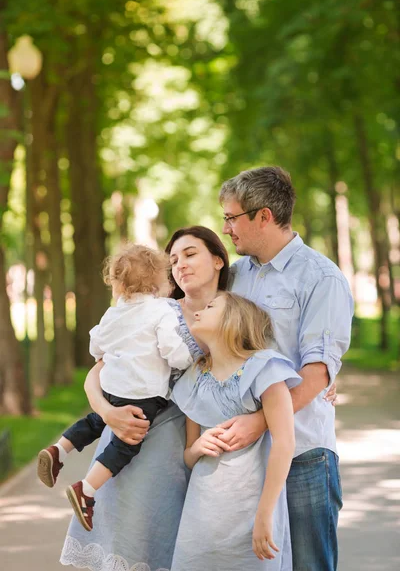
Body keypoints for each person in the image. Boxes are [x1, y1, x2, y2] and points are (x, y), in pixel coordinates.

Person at [60, 226, 337, 571]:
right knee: (139, 547)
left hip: (208, 463)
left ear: (219, 261)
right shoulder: (156, 310)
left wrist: (315, 384)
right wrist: (105, 411)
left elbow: (271, 362)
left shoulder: (231, 310)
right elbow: (100, 370)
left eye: (190, 255)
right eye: (173, 259)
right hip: (143, 444)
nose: (180, 265)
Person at [219, 166, 353, 571]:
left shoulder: (321, 277)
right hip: (240, 456)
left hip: (304, 454)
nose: (226, 229)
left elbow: (317, 373)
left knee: (309, 566)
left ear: (263, 216)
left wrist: (260, 421)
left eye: (231, 217)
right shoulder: (234, 276)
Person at [38, 244, 192, 531]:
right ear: (157, 281)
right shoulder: (161, 310)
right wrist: (188, 357)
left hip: (112, 388)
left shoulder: (113, 314)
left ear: (119, 285)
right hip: (142, 394)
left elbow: (96, 345)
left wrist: (107, 355)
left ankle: (59, 449)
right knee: (126, 444)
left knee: (96, 420)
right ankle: (87, 488)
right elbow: (173, 351)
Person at [171, 292, 302, 570]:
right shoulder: (194, 376)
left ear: (234, 318)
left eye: (210, 306)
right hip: (202, 516)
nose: (197, 311)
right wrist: (197, 448)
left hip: (252, 510)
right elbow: (188, 457)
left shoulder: (265, 367)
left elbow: (285, 442)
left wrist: (265, 515)